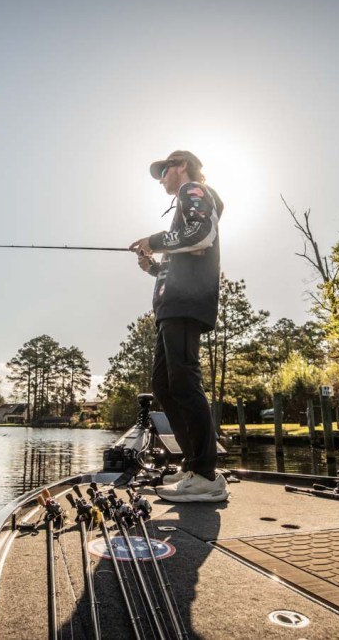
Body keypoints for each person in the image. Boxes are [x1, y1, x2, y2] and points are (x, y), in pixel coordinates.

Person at [129, 150, 227, 503]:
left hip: (186, 303)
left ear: (181, 166)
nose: (161, 179)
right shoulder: (185, 202)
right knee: (164, 384)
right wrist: (154, 266)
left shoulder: (193, 190)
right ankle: (192, 465)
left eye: (164, 171)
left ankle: (205, 475)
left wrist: (154, 240)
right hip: (171, 306)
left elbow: (201, 234)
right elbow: (183, 257)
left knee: (184, 381)